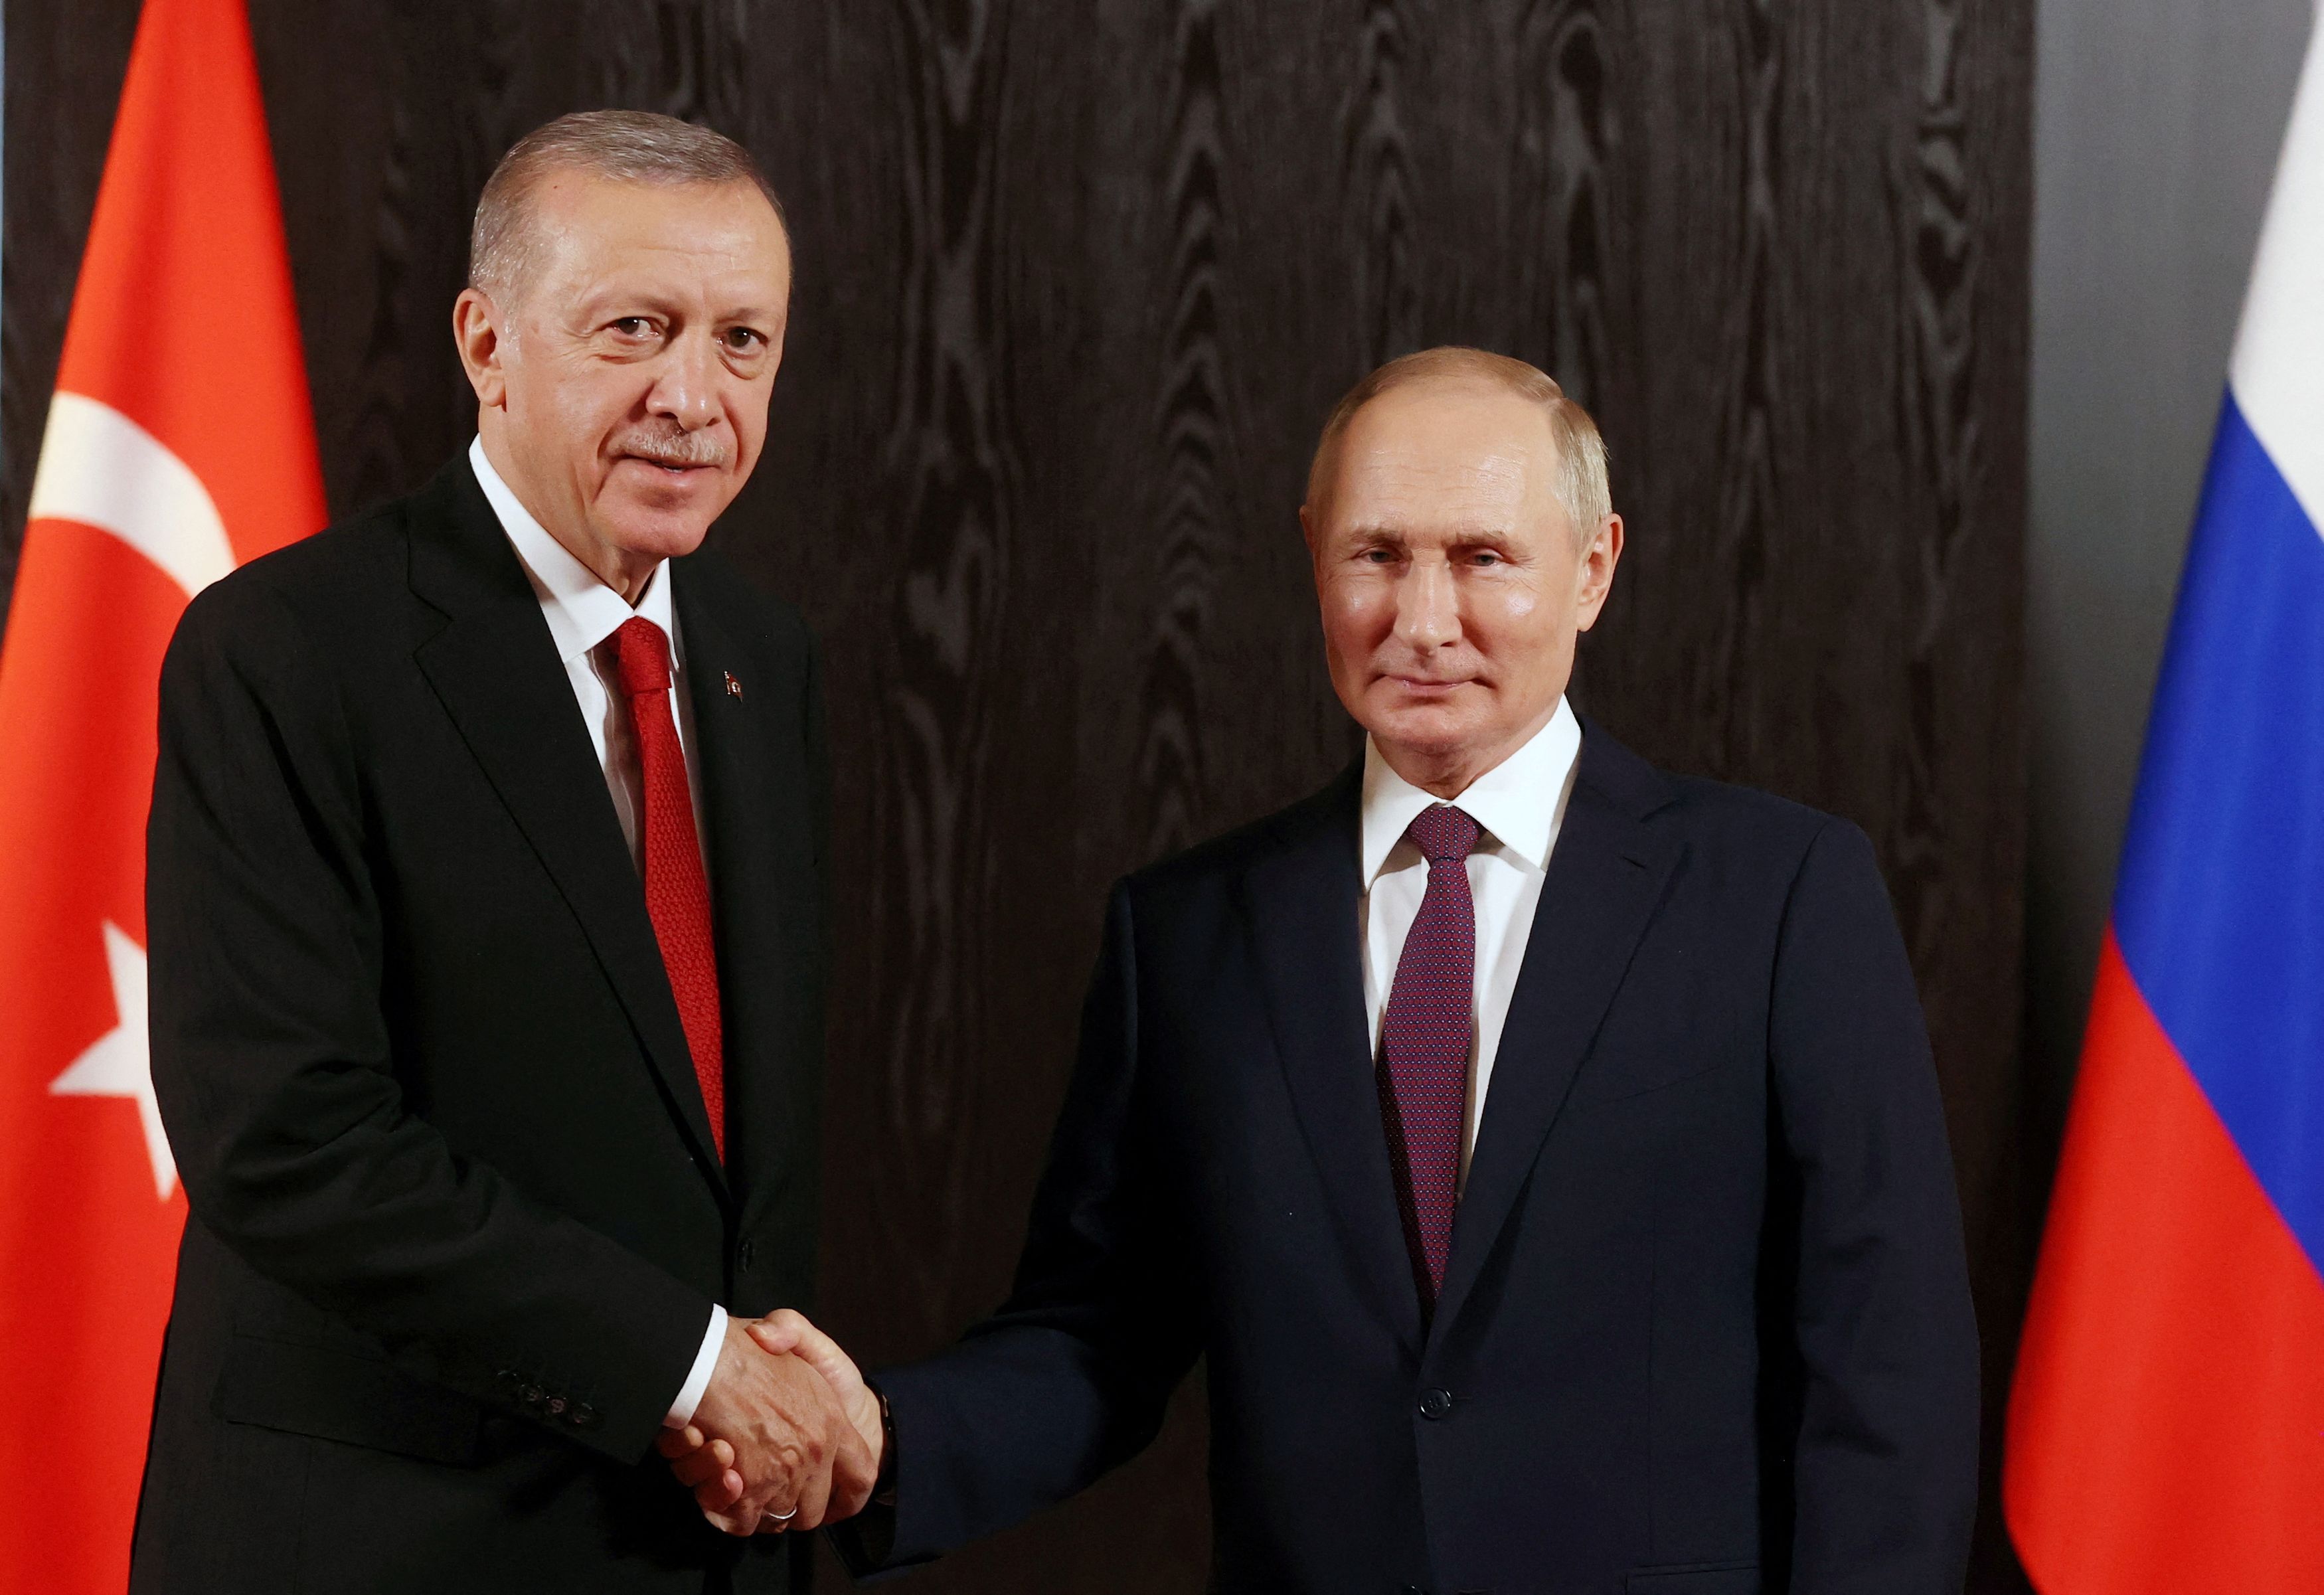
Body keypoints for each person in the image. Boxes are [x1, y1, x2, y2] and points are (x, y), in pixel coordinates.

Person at [685, 347, 1982, 1592]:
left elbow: (1887, 1369)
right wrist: (875, 1435)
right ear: (1312, 551)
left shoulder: (1781, 893)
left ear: (1593, 568)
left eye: (1483, 557)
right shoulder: (1184, 934)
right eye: (1376, 555)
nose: (1422, 622)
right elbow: (1098, 1337)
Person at [133, 111, 872, 1594]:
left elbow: (713, 1136)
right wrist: (687, 1365)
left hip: (704, 1540)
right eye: (635, 329)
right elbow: (287, 1140)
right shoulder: (287, 649)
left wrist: (774, 1387)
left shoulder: (757, 657)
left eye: (743, 341)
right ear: (488, 347)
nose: (694, 396)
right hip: (386, 1544)